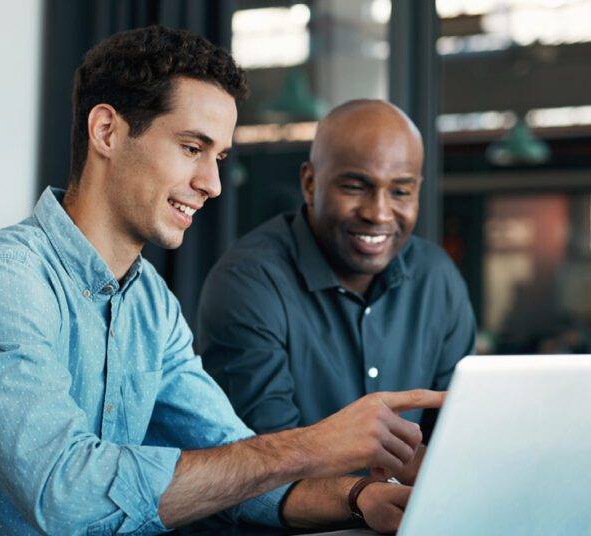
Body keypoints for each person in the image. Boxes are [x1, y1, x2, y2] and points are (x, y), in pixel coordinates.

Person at [0, 26, 441, 535]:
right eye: (192, 148)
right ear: (108, 132)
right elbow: (68, 495)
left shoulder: (149, 305)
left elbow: (235, 466)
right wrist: (311, 446)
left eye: (218, 156)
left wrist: (363, 498)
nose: (212, 183)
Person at [197, 99, 476, 484]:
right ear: (310, 184)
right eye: (356, 187)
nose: (378, 213)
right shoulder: (249, 281)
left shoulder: (436, 278)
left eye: (400, 192)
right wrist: (367, 500)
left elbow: (459, 436)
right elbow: (266, 463)